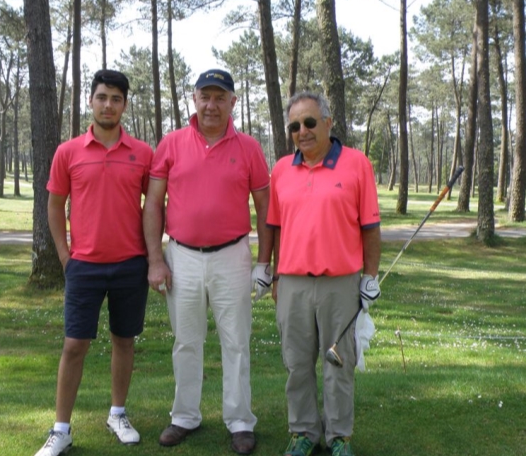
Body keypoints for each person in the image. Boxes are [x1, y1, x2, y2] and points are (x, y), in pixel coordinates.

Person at [143, 68, 273, 455]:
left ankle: (240, 421)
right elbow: (153, 204)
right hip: (180, 255)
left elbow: (264, 207)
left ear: (233, 102)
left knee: (236, 341)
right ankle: (185, 416)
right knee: (186, 341)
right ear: (194, 100)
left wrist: (264, 263)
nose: (212, 105)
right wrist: (155, 259)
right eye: (205, 96)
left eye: (220, 97)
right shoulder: (171, 143)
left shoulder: (248, 147)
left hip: (232, 254)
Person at [35, 69, 153, 456]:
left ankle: (117, 413)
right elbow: (54, 206)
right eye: (102, 97)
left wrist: (153, 256)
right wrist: (66, 257)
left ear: (124, 105)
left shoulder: (142, 153)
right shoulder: (68, 152)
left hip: (130, 264)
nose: (108, 105)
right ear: (91, 100)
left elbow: (154, 208)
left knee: (124, 340)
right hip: (83, 266)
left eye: (116, 99)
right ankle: (61, 429)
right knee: (74, 345)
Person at [267, 92, 381, 456]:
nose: (303, 131)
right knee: (297, 363)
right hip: (293, 283)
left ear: (328, 123)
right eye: (295, 125)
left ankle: (338, 437)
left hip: (340, 284)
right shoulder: (282, 170)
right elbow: (274, 225)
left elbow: (370, 227)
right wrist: (269, 272)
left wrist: (371, 276)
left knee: (338, 362)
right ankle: (303, 432)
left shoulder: (356, 163)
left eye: (310, 122)